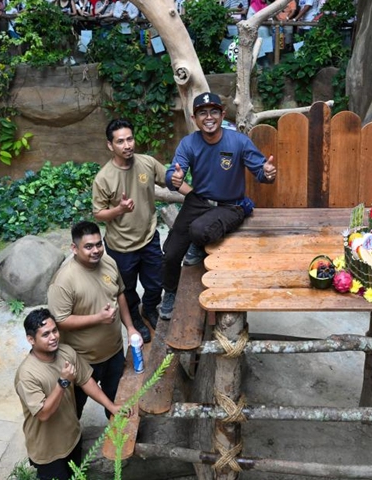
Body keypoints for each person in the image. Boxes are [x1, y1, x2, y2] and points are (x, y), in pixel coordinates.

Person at [159, 92, 277, 320]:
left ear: (223, 114)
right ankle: (170, 292)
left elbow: (261, 172)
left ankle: (204, 237)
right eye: (202, 113)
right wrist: (173, 178)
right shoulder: (189, 143)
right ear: (194, 118)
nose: (209, 117)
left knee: (199, 230)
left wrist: (268, 173)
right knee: (171, 253)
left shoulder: (238, 141)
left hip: (230, 204)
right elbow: (173, 173)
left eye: (214, 111)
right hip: (199, 201)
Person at [93, 119, 190, 341]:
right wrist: (118, 209)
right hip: (121, 246)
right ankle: (135, 318)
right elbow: (98, 214)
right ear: (110, 145)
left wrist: (181, 183)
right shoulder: (104, 178)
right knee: (126, 289)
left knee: (156, 282)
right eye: (120, 141)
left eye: (130, 139)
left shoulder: (146, 163)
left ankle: (149, 308)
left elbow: (168, 179)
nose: (127, 145)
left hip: (148, 238)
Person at [15, 308, 123, 480]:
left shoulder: (66, 352)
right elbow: (43, 413)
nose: (53, 337)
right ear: (31, 340)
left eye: (55, 331)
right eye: (45, 334)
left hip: (72, 438)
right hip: (48, 452)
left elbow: (86, 380)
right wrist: (63, 382)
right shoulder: (27, 375)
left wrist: (112, 407)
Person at [47, 221, 140, 419]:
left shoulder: (109, 263)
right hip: (82, 359)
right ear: (74, 248)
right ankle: (72, 445)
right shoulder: (64, 281)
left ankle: (118, 443)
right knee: (74, 409)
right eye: (88, 246)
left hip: (114, 352)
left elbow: (120, 293)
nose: (95, 250)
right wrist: (98, 318)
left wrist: (130, 328)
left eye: (99, 244)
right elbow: (60, 321)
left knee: (117, 404)